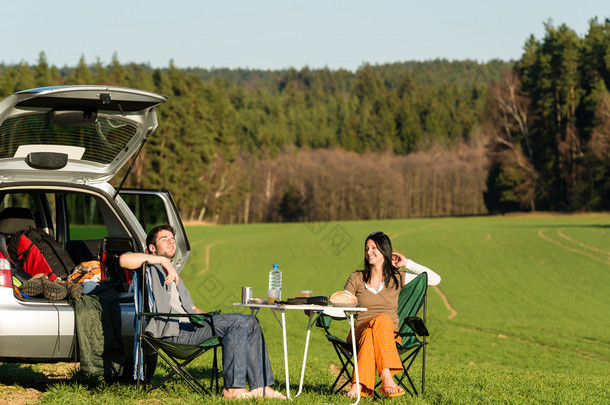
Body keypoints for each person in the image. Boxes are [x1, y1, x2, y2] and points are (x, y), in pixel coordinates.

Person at [119, 225, 286, 400]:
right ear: (152, 248)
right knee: (237, 322)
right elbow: (124, 259)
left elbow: (192, 310)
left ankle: (261, 386)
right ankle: (233, 389)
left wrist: (217, 320)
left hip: (191, 327)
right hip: (174, 333)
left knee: (250, 322)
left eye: (172, 239)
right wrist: (161, 261)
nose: (171, 241)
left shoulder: (174, 275)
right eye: (164, 238)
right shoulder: (150, 266)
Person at [342, 231, 441, 398]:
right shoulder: (357, 278)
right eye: (367, 248)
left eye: (374, 248)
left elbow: (434, 279)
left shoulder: (398, 277)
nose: (368, 252)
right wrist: (320, 309)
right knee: (380, 321)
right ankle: (386, 376)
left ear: (385, 251)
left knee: (374, 330)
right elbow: (341, 302)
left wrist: (407, 262)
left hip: (389, 336)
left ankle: (357, 387)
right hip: (358, 331)